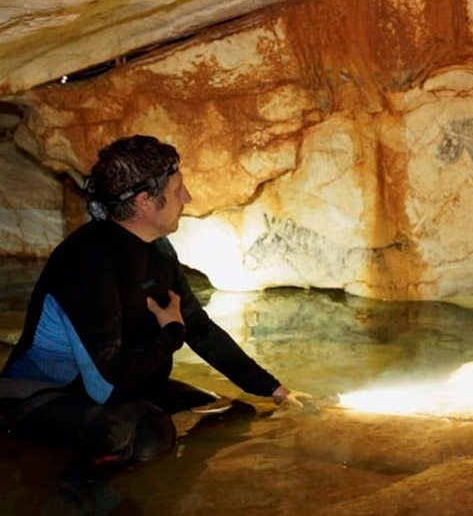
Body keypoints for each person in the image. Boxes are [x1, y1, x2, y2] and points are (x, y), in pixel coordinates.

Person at [0, 134, 310, 466]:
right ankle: (78, 493)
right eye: (178, 191)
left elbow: (199, 329)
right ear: (146, 201)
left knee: (229, 411)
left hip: (119, 385)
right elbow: (106, 384)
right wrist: (171, 335)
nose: (187, 198)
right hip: (40, 396)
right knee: (149, 435)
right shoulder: (87, 262)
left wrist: (273, 388)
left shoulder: (158, 251)